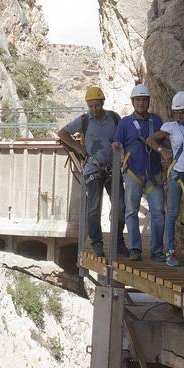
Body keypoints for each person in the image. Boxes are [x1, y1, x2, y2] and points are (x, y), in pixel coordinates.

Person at [57, 86, 121, 254]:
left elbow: (122, 136)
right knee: (93, 207)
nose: (94, 109)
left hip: (113, 168)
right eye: (91, 106)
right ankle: (97, 243)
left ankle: (118, 241)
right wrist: (78, 147)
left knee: (120, 206)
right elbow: (62, 133)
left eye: (97, 105)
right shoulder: (84, 120)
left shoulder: (114, 118)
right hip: (93, 167)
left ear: (102, 103)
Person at [113, 84, 166, 261]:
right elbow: (117, 142)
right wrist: (116, 146)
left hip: (154, 173)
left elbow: (165, 141)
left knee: (158, 212)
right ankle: (135, 248)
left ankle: (157, 249)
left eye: (144, 100)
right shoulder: (125, 123)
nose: (141, 103)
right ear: (133, 102)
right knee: (131, 211)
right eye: (138, 100)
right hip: (134, 172)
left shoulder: (157, 121)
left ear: (148, 101)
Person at [155, 90, 184, 267]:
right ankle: (170, 252)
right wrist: (162, 150)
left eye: (183, 111)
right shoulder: (169, 127)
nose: (180, 115)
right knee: (172, 213)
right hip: (177, 173)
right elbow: (150, 139)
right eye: (177, 111)